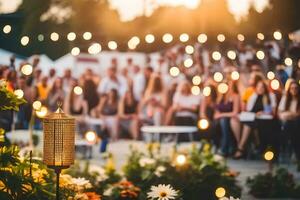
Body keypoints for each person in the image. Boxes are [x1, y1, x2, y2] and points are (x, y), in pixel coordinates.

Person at [234, 80, 277, 159]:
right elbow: (249, 109)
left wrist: (263, 112)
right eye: (259, 87)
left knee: (249, 125)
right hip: (253, 118)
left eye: (262, 87)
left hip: (265, 119)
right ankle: (244, 146)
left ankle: (241, 148)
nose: (260, 89)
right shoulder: (253, 96)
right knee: (241, 122)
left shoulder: (270, 96)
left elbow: (273, 112)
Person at [214, 81, 241, 156]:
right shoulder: (220, 97)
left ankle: (224, 148)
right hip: (219, 120)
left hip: (230, 119)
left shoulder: (235, 96)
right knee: (219, 123)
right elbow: (216, 113)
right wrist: (219, 115)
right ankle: (221, 146)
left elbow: (235, 112)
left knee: (224, 121)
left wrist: (222, 115)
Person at [278, 80, 300, 169]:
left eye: (296, 88)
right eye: (292, 88)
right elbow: (279, 113)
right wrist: (289, 115)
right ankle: (289, 151)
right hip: (286, 122)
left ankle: (292, 151)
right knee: (287, 125)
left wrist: (289, 114)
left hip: (296, 122)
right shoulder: (285, 98)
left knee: (293, 124)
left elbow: (298, 114)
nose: (294, 90)